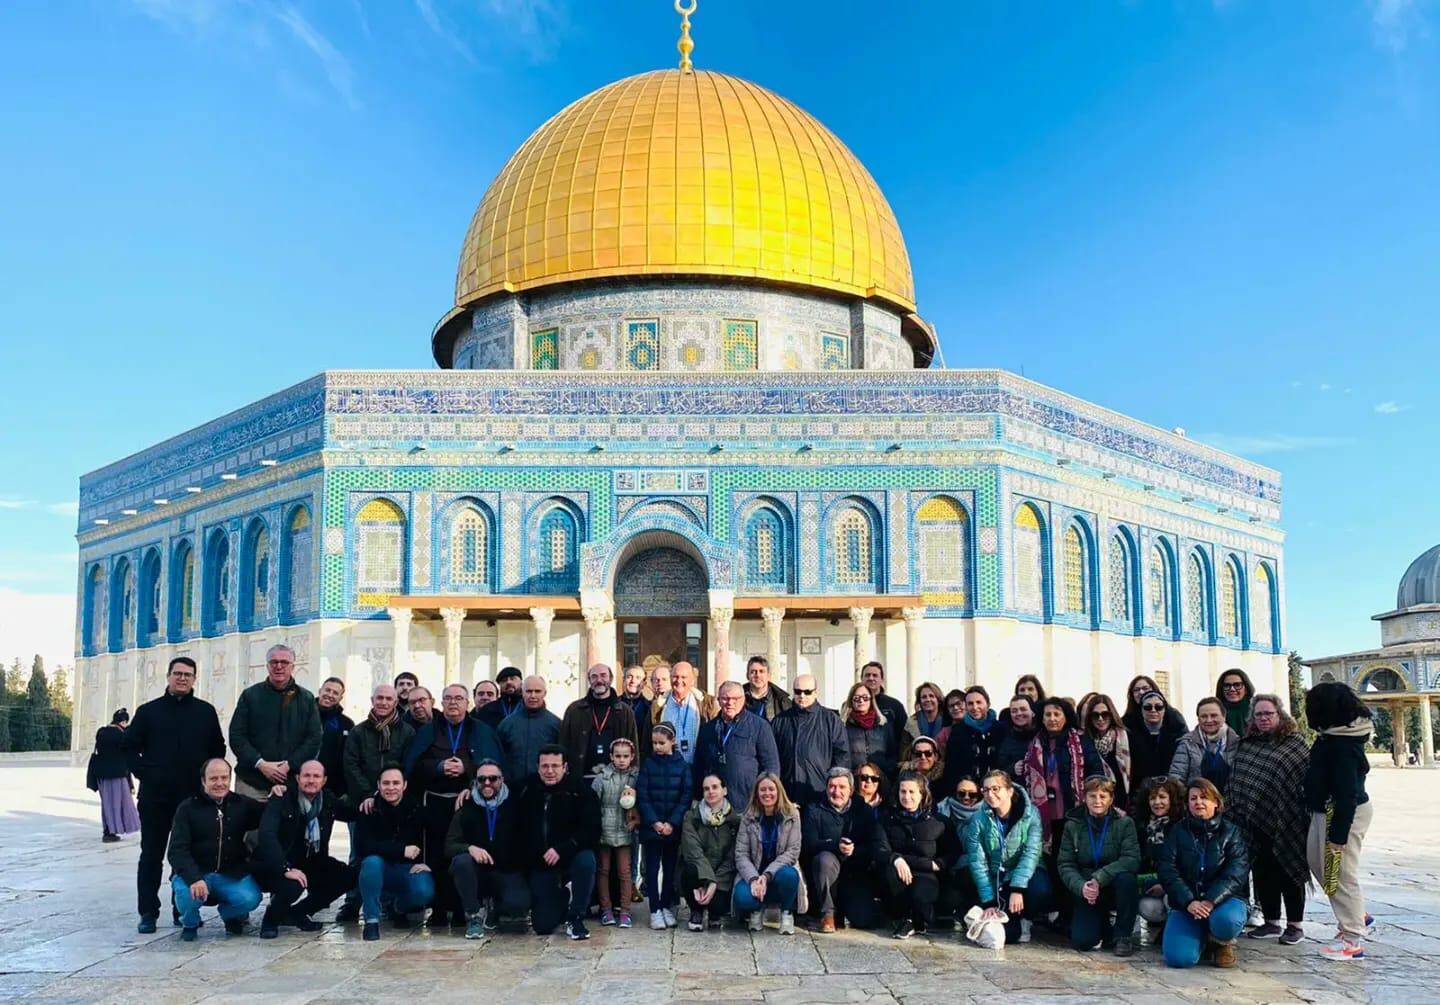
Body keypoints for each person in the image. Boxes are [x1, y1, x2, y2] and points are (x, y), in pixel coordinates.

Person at [125, 656, 227, 933]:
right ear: (168, 676)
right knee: (151, 855)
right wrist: (147, 774)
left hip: (192, 800)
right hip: (156, 798)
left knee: (185, 856)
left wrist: (208, 782)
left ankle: (181, 909)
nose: (182, 678)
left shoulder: (205, 712)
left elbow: (217, 748)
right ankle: (148, 912)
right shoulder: (149, 712)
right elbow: (129, 748)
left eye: (188, 674)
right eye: (177, 673)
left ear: (195, 679)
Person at [404, 683, 502, 928]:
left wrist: (468, 772)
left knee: (463, 855)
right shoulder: (428, 731)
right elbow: (414, 765)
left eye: (459, 698)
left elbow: (493, 765)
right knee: (436, 856)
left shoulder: (481, 730)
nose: (453, 703)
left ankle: (463, 909)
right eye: (448, 698)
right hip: (435, 801)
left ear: (467, 702)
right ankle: (439, 909)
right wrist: (439, 766)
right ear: (441, 702)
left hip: (470, 802)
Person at [1227, 693, 1309, 946]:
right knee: (1263, 872)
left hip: (1288, 819)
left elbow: (1305, 780)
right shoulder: (1247, 743)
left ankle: (1295, 925)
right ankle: (1271, 922)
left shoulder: (1295, 744)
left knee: (1289, 870)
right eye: (1259, 714)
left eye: (1268, 713)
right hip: (1252, 821)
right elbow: (1238, 780)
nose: (1263, 718)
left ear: (1280, 715)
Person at [1304, 681, 1375, 962]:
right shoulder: (1332, 736)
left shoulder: (1344, 745)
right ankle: (1358, 914)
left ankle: (1352, 937)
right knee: (1318, 862)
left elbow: (1347, 796)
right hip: (1324, 810)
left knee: (1340, 871)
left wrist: (1338, 838)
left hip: (1343, 814)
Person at [251, 759, 356, 939]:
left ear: (323, 781)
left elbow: (354, 813)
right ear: (298, 778)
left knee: (349, 875)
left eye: (316, 776)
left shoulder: (327, 801)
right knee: (294, 883)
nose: (311, 780)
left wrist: (375, 800)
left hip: (310, 860)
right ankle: (271, 919)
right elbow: (267, 836)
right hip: (277, 862)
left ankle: (297, 913)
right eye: (307, 775)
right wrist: (285, 868)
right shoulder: (282, 798)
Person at [167, 759, 264, 940]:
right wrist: (194, 878)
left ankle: (227, 914)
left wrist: (278, 794)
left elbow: (268, 813)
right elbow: (176, 850)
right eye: (213, 779)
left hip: (229, 873)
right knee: (186, 897)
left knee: (251, 898)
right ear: (203, 781)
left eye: (224, 778)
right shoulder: (187, 809)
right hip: (197, 873)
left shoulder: (241, 804)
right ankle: (190, 923)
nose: (219, 783)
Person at [1157, 778, 1249, 968]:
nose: (1198, 802)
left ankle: (1221, 942)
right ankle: (1200, 937)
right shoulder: (1177, 831)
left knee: (1226, 921)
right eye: (1193, 798)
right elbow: (1167, 870)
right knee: (1179, 959)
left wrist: (1209, 901)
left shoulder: (1232, 833)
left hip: (1223, 901)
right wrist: (1189, 901)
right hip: (1187, 903)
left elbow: (1235, 873)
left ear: (1216, 803)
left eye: (1204, 798)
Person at [516, 744, 601, 940]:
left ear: (565, 767)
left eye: (555, 766)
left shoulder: (580, 790)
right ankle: (562, 898)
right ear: (538, 767)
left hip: (571, 855)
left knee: (587, 860)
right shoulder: (526, 789)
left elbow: (591, 829)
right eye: (545, 766)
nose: (550, 771)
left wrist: (564, 848)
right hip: (541, 861)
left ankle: (576, 917)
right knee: (543, 926)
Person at [964, 769, 1052, 946]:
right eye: (986, 790)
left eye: (996, 789)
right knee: (1010, 934)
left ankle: (1027, 918)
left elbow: (1032, 853)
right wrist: (989, 901)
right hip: (996, 874)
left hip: (1025, 872)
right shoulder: (978, 819)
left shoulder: (1030, 814)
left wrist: (1017, 888)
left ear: (1010, 791)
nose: (990, 794)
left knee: (1040, 888)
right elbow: (978, 863)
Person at [1058, 776, 1141, 956]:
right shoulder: (1072, 825)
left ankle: (1123, 936)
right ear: (1084, 798)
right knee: (1083, 941)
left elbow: (1131, 858)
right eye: (1092, 796)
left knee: (1127, 880)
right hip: (1086, 886)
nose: (1097, 801)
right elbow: (1065, 864)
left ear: (1111, 799)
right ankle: (1103, 927)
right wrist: (1082, 886)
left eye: (1103, 796)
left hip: (1113, 882)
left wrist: (1100, 877)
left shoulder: (1124, 823)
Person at [228, 644, 322, 800]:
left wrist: (288, 765)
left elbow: (314, 739)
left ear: (293, 666)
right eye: (274, 662)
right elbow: (237, 735)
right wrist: (260, 764)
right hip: (251, 781)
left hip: (290, 782)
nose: (279, 667)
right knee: (250, 824)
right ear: (267, 666)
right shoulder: (250, 696)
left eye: (284, 662)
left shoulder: (306, 699)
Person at [447, 760, 526, 938]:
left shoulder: (515, 804)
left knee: (518, 906)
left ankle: (495, 908)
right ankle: (474, 915)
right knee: (461, 861)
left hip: (506, 870)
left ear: (502, 780)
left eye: (493, 778)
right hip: (477, 872)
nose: (487, 783)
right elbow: (449, 845)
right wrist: (469, 848)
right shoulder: (466, 806)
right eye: (482, 779)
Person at [353, 767, 434, 941]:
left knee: (424, 891)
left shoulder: (417, 808)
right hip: (379, 868)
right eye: (386, 783)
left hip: (407, 869)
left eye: (396, 783)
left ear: (404, 785)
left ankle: (398, 907)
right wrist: (401, 850)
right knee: (371, 863)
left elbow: (433, 839)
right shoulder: (368, 808)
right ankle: (371, 921)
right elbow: (363, 847)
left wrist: (428, 862)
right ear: (378, 785)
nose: (391, 788)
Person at [801, 767, 883, 932]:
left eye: (842, 787)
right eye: (832, 786)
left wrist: (855, 850)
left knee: (863, 919)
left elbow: (873, 845)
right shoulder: (814, 809)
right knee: (823, 859)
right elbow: (809, 843)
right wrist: (835, 846)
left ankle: (846, 910)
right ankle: (827, 914)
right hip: (826, 869)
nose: (836, 791)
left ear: (851, 790)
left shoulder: (864, 811)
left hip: (855, 870)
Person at [1022, 697, 1103, 852]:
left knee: (1072, 851)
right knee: (1052, 853)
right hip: (1044, 809)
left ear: (1066, 716)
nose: (1052, 718)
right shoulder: (1035, 743)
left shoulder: (1080, 740)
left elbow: (1095, 769)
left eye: (1057, 714)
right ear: (1042, 719)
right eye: (1048, 715)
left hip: (1073, 806)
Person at [734, 773, 806, 935]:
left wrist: (767, 875)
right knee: (742, 897)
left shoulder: (792, 815)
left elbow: (792, 852)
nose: (767, 793)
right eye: (763, 790)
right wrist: (754, 878)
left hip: (778, 873)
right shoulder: (748, 816)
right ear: (757, 793)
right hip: (754, 873)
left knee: (790, 875)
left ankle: (786, 913)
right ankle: (757, 910)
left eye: (771, 789)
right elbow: (741, 854)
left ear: (779, 791)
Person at [878, 771, 946, 940]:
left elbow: (953, 850)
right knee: (890, 877)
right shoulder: (887, 820)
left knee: (921, 894)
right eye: (903, 792)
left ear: (922, 794)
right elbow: (879, 848)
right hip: (898, 871)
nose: (907, 797)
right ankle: (905, 918)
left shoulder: (939, 821)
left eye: (912, 792)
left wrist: (939, 864)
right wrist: (896, 858)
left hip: (927, 873)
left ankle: (920, 918)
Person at [637, 723, 691, 928]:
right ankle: (654, 909)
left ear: (672, 742)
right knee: (652, 869)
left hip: (672, 827)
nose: (657, 747)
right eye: (654, 743)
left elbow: (685, 796)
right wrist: (654, 822)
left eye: (661, 743)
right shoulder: (649, 765)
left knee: (669, 868)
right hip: (653, 827)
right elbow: (643, 794)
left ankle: (666, 905)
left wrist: (672, 823)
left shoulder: (683, 766)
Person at [694, 681, 780, 806]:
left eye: (735, 699)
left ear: (744, 699)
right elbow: (699, 766)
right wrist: (697, 797)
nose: (730, 703)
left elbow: (771, 765)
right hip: (715, 805)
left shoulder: (759, 727)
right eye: (725, 698)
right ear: (718, 700)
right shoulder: (707, 730)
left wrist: (766, 799)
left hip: (748, 804)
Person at [773, 673, 849, 808]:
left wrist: (834, 789)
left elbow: (842, 756)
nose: (802, 696)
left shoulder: (830, 720)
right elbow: (772, 756)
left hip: (820, 795)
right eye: (798, 691)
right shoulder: (780, 720)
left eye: (807, 692)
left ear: (816, 693)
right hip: (787, 796)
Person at [559, 663, 640, 782]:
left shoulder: (625, 712)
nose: (599, 680)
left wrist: (632, 780)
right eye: (594, 676)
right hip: (581, 778)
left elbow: (633, 747)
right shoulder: (574, 710)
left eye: (603, 676)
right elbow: (563, 744)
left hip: (615, 781)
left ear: (611, 679)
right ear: (589, 680)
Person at [681, 773, 741, 931]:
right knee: (689, 870)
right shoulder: (691, 818)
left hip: (722, 877)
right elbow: (693, 852)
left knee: (719, 903)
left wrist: (715, 883)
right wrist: (708, 879)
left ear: (724, 790)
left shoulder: (735, 821)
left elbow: (732, 858)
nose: (711, 792)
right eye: (706, 788)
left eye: (715, 787)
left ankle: (715, 914)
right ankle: (696, 911)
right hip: (700, 874)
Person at [591, 738, 638, 928]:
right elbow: (593, 803)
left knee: (625, 872)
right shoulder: (602, 777)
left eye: (625, 756)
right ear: (611, 756)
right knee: (603, 870)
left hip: (625, 831)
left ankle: (625, 910)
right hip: (605, 829)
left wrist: (635, 820)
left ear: (632, 757)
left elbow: (639, 803)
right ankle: (606, 909)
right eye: (617, 756)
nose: (621, 760)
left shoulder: (635, 777)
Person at [344, 684, 415, 804]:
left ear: (396, 702)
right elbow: (351, 766)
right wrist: (368, 794)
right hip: (363, 800)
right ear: (372, 700)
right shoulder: (358, 731)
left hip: (397, 800)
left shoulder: (407, 732)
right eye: (379, 698)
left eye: (389, 699)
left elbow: (409, 765)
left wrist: (394, 790)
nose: (383, 702)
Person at [1135, 775, 1185, 941]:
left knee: (1173, 896)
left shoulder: (1182, 827)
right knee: (1145, 906)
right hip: (1147, 885)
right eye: (1152, 798)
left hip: (1172, 886)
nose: (1157, 802)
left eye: (1162, 797)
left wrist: (1164, 883)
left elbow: (1184, 864)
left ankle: (1172, 931)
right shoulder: (1140, 825)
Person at [934, 775, 983, 925]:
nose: (966, 798)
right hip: (945, 867)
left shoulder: (986, 813)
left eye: (972, 794)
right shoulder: (942, 809)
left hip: (973, 870)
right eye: (961, 793)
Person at [1125, 690, 1186, 809]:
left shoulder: (1177, 733)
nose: (1153, 711)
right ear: (1141, 709)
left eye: (1158, 707)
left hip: (1170, 793)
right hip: (1140, 794)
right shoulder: (1129, 734)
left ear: (1165, 709)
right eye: (1147, 707)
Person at [496, 675, 561, 784]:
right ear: (522, 692)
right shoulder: (507, 724)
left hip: (544, 788)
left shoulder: (556, 724)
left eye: (537, 691)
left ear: (545, 693)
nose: (533, 696)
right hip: (513, 787)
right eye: (529, 691)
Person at [90, 709, 139, 843]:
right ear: (123, 721)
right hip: (117, 773)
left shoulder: (101, 732)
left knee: (107, 803)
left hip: (101, 774)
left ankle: (108, 831)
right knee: (119, 803)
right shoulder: (121, 734)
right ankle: (115, 829)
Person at [1169, 697, 1240, 789]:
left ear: (1224, 717)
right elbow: (1176, 778)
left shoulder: (1236, 743)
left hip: (1228, 800)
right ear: (1198, 719)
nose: (1209, 720)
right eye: (1204, 716)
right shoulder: (1187, 743)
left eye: (1214, 715)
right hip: (1197, 801)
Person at [654, 661, 717, 763]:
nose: (679, 681)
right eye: (675, 676)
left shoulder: (706, 703)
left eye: (684, 677)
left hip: (697, 770)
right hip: (667, 770)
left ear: (692, 680)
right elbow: (647, 743)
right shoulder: (658, 705)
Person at [943, 685, 1001, 791]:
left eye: (979, 702)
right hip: (968, 792)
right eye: (970, 704)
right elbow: (951, 766)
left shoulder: (1000, 729)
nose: (974, 707)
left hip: (996, 790)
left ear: (988, 704)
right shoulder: (958, 731)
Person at [1080, 694, 1131, 808]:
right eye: (1095, 715)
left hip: (1123, 801)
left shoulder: (1125, 738)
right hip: (1096, 803)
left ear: (1112, 715)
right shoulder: (1084, 742)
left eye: (1105, 714)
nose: (1100, 719)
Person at [842, 681, 897, 780]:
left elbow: (892, 754)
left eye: (865, 698)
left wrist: (887, 771)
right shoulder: (843, 726)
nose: (861, 701)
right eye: (857, 698)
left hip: (880, 779)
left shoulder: (883, 725)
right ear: (851, 701)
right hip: (854, 780)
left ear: (871, 700)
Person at [315, 677, 353, 801]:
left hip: (330, 790)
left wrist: (343, 789)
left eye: (335, 693)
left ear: (340, 698)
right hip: (300, 784)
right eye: (327, 690)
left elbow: (348, 758)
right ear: (320, 691)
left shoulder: (346, 724)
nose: (330, 695)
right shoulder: (303, 715)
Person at [860, 661, 908, 752]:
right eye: (867, 675)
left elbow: (903, 738)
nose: (871, 678)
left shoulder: (894, 706)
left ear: (882, 679)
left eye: (875, 675)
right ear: (861, 679)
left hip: (887, 761)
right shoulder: (851, 705)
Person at [1122, 675, 1187, 735]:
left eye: (1145, 688)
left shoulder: (1173, 716)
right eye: (1136, 690)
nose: (1141, 692)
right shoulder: (1127, 721)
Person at [994, 696, 1038, 783]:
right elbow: (998, 769)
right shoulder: (1004, 738)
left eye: (1023, 709)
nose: (1019, 713)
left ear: (1032, 712)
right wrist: (1012, 769)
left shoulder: (1042, 735)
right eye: (1014, 711)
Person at [897, 735, 945, 806]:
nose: (923, 757)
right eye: (918, 754)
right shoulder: (901, 776)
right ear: (912, 756)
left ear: (936, 756)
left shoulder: (944, 779)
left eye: (928, 753)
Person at [742, 656, 793, 722]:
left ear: (768, 676)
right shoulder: (737, 698)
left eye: (761, 671)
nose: (757, 675)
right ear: (747, 676)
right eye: (753, 672)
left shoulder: (782, 701)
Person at [903, 682, 948, 749]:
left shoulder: (947, 720)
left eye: (931, 696)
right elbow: (904, 749)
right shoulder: (911, 722)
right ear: (919, 701)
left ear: (938, 700)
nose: (928, 699)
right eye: (924, 697)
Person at [1216, 669, 1256, 736]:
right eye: (1227, 686)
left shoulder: (1257, 710)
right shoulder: (1214, 712)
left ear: (1246, 689)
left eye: (1237, 685)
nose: (1232, 689)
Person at [620, 665, 651, 748]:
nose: (633, 681)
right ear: (623, 680)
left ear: (644, 683)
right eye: (629, 677)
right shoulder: (613, 705)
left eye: (638, 678)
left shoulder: (649, 707)